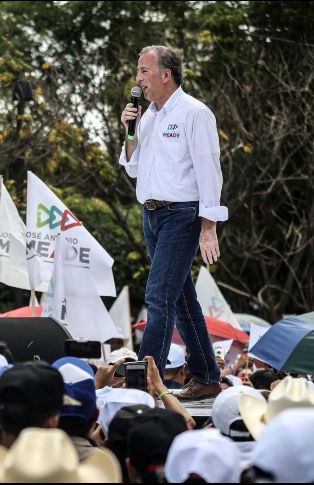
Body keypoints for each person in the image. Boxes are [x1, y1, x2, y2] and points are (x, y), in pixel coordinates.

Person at [119, 45, 225, 400]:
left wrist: (209, 227)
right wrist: (130, 129)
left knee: (158, 295)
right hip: (151, 214)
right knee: (181, 299)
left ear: (166, 74)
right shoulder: (146, 116)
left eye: (143, 71)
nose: (138, 79)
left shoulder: (195, 113)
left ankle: (144, 383)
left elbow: (210, 171)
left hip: (182, 214)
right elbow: (132, 165)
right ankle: (207, 375)